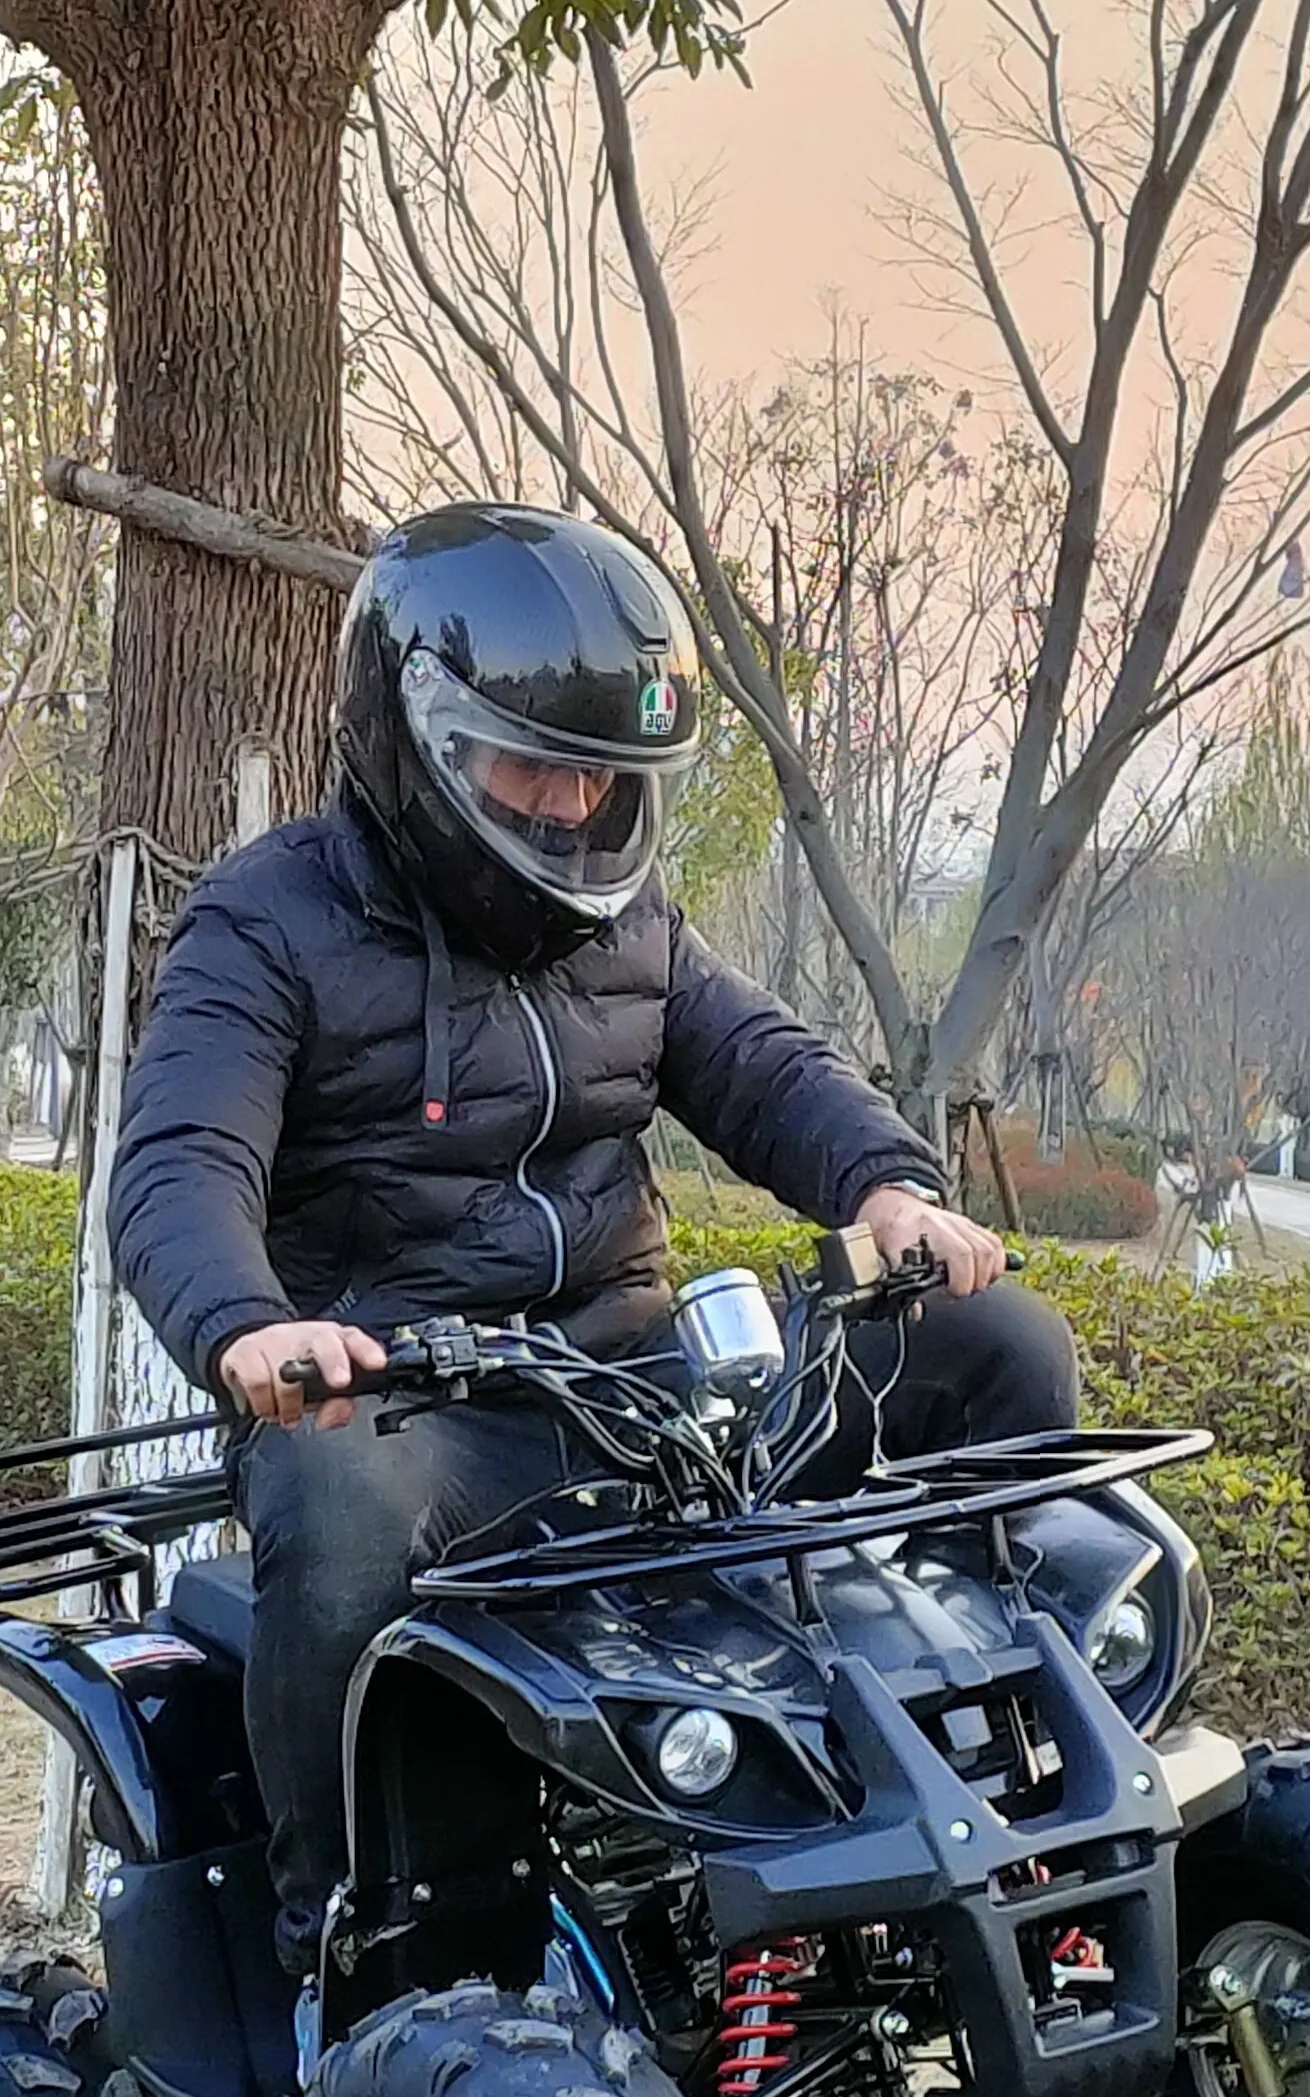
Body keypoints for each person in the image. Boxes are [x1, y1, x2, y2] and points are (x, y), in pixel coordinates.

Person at [109, 503, 1079, 1986]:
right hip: (411, 1403)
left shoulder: (629, 931)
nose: (569, 809)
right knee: (337, 1485)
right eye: (532, 767)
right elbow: (182, 1158)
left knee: (997, 1347)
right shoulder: (265, 923)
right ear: (414, 732)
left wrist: (888, 1186)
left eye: (601, 778)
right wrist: (248, 1323)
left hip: (636, 1383)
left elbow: (763, 1065)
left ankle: (1008, 1798)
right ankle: (352, 1954)